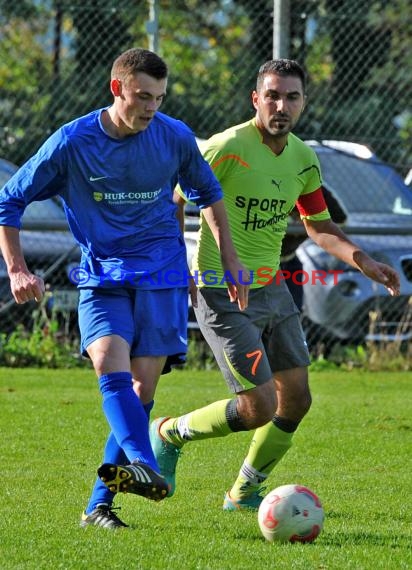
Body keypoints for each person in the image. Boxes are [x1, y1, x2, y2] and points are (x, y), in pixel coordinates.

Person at [0, 47, 248, 528]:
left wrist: (231, 262)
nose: (151, 108)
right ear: (118, 89)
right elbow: (8, 201)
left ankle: (99, 506)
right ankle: (147, 465)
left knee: (141, 389)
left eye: (158, 98)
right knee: (109, 367)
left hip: (162, 275)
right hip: (103, 275)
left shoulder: (173, 135)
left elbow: (209, 195)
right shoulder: (73, 141)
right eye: (142, 97)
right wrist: (17, 269)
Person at [150, 58, 400, 511]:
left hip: (273, 289)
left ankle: (244, 491)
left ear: (304, 103)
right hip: (220, 292)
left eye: (291, 97)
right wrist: (178, 271)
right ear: (255, 99)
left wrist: (364, 261)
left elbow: (320, 226)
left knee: (297, 400)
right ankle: (169, 432)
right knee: (258, 406)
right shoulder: (226, 147)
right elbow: (175, 201)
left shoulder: (304, 159)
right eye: (272, 95)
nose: (281, 105)